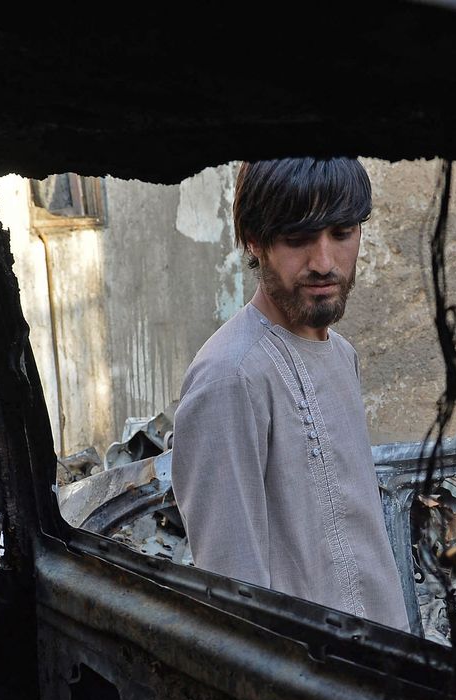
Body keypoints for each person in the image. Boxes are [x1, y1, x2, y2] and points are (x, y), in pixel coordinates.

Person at [171, 158, 412, 631]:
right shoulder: (231, 378)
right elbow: (234, 594)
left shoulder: (342, 356)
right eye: (298, 238)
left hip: (382, 672)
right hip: (308, 686)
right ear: (255, 242)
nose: (323, 262)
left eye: (342, 233)